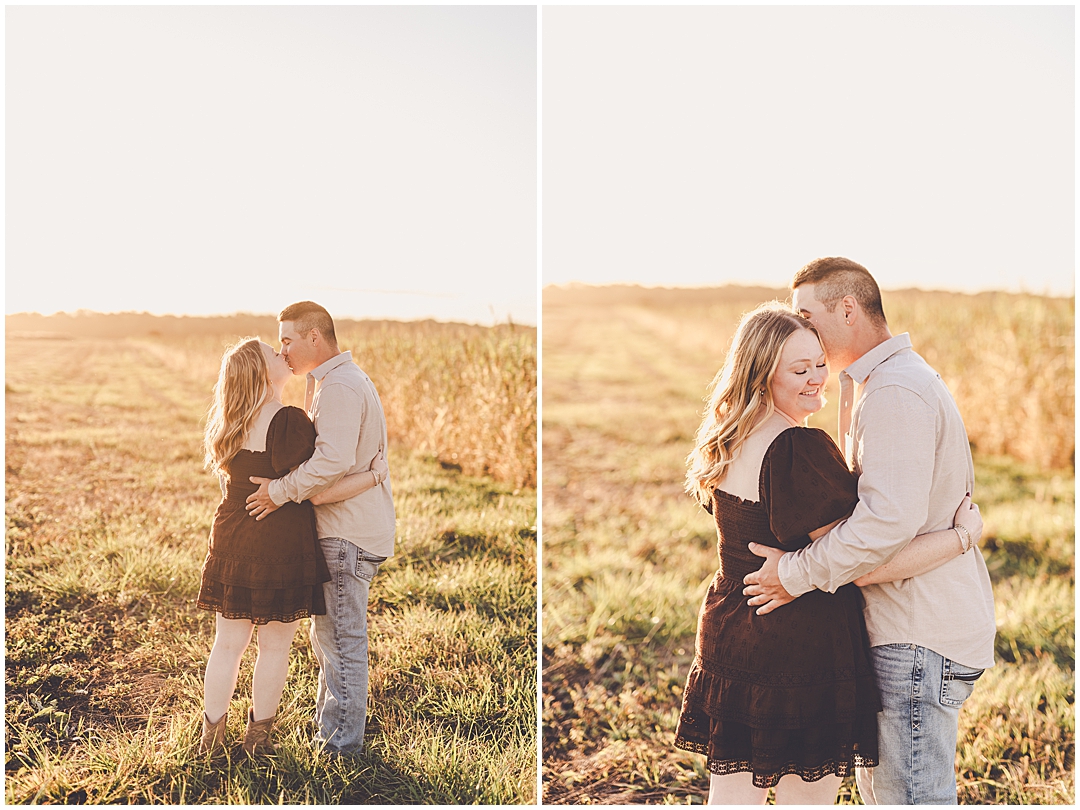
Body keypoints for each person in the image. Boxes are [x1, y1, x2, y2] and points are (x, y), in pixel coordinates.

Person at [675, 302, 982, 804]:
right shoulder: (796, 448)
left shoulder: (727, 437)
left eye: (820, 362)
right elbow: (865, 558)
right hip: (797, 642)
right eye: (799, 369)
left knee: (731, 796)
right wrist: (961, 536)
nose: (818, 378)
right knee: (807, 799)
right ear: (760, 374)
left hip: (730, 627)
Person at [743, 257, 997, 804]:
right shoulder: (880, 382)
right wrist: (958, 537)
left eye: (808, 314)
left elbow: (883, 525)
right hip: (909, 627)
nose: (802, 327)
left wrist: (794, 574)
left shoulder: (894, 391)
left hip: (916, 632)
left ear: (850, 309)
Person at [197, 338, 386, 757]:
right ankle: (258, 742)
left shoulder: (229, 419)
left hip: (231, 536)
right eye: (273, 353)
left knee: (226, 645)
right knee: (275, 646)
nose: (282, 354)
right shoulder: (288, 421)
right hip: (278, 540)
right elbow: (318, 479)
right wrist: (372, 476)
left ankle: (210, 740)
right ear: (264, 373)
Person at [246, 302, 396, 756]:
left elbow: (330, 462)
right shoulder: (332, 382)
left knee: (342, 641)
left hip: (347, 535)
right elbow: (343, 462)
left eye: (288, 339)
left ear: (315, 338)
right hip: (344, 529)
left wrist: (279, 491)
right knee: (329, 638)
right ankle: (330, 733)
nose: (282, 349)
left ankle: (341, 749)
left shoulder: (340, 386)